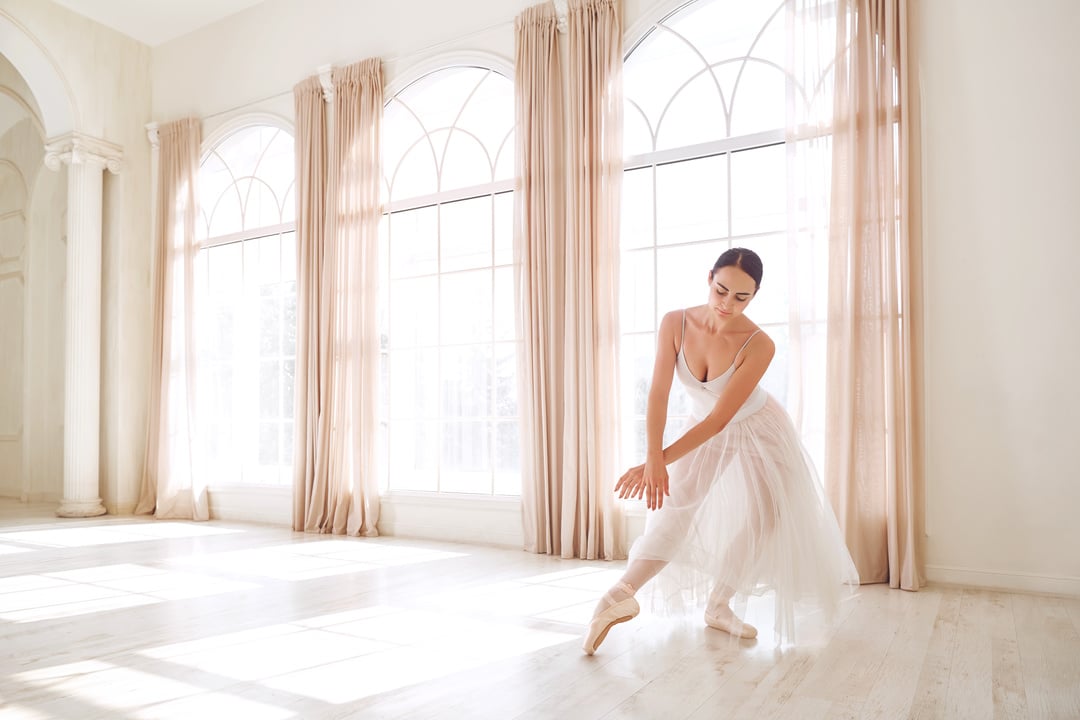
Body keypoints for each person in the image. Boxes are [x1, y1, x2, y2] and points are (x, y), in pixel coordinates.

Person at [583, 248, 858, 655]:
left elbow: (719, 422)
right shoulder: (675, 322)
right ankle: (618, 595)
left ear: (755, 296)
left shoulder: (759, 344)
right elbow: (658, 394)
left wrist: (657, 461)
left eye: (741, 297)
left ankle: (720, 603)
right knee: (676, 505)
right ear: (709, 278)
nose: (727, 303)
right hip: (702, 422)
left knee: (768, 512)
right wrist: (653, 459)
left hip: (760, 427)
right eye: (721, 290)